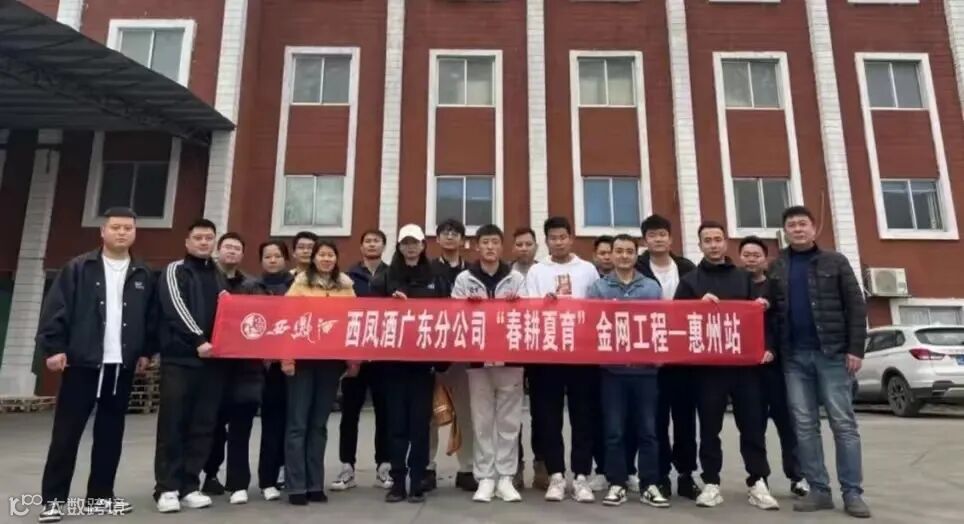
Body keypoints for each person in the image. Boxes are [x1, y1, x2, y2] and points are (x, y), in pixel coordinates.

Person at [35, 207, 155, 522]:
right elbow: (56, 308)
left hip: (121, 366)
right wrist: (54, 348)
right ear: (102, 231)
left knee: (110, 435)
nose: (121, 232)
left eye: (128, 228)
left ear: (134, 232)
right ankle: (53, 501)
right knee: (66, 434)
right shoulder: (79, 267)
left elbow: (150, 318)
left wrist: (146, 351)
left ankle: (100, 497)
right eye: (115, 227)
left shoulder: (142, 273)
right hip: (82, 364)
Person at [767, 206, 870, 518]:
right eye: (792, 225)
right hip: (794, 358)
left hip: (833, 354)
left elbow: (856, 305)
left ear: (814, 228)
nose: (798, 229)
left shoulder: (835, 261)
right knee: (804, 425)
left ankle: (852, 493)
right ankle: (819, 490)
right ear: (785, 231)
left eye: (803, 224)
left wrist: (856, 349)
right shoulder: (778, 266)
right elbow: (772, 311)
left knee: (843, 424)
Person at [674, 221, 777, 510]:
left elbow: (762, 318)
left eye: (718, 239)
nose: (713, 244)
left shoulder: (744, 278)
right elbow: (676, 321)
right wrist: (696, 306)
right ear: (700, 245)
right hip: (709, 369)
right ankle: (711, 482)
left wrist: (768, 347)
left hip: (745, 367)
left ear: (725, 242)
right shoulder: (690, 281)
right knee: (709, 428)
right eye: (707, 240)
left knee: (752, 426)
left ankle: (758, 481)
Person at [588, 234, 669, 509]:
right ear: (611, 254)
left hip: (646, 372)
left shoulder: (651, 288)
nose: (623, 256)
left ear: (636, 255)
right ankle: (617, 483)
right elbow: (590, 327)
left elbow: (661, 324)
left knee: (648, 430)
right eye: (619, 251)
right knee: (614, 431)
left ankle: (649, 484)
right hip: (612, 372)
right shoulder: (599, 288)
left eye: (629, 251)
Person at [524, 216, 600, 503]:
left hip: (581, 354)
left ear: (571, 238)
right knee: (548, 417)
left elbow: (596, 307)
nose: (558, 242)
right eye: (553, 238)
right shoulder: (537, 271)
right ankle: (556, 475)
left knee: (583, 416)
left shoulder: (587, 269)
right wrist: (543, 305)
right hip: (548, 354)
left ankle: (581, 476)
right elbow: (528, 308)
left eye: (562, 237)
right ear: (546, 241)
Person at [154, 219, 228, 513]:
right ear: (187, 242)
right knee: (173, 424)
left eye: (209, 238)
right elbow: (175, 307)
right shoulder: (175, 270)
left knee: (203, 425)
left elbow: (229, 313)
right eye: (198, 237)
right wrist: (198, 339)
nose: (204, 242)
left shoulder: (218, 275)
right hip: (180, 360)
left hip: (213, 363)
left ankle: (189, 485)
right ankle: (167, 488)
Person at [375, 224, 451, 503]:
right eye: (405, 243)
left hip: (423, 365)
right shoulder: (385, 278)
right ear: (399, 246)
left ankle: (417, 479)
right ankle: (397, 481)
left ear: (422, 245)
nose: (410, 247)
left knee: (420, 425)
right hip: (393, 364)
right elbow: (372, 315)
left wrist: (441, 361)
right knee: (396, 425)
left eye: (415, 242)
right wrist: (391, 304)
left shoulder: (436, 277)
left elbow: (446, 316)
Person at [451, 224, 526, 504]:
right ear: (477, 246)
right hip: (478, 359)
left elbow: (529, 314)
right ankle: (485, 477)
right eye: (485, 242)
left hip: (511, 358)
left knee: (509, 421)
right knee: (481, 420)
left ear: (501, 246)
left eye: (495, 242)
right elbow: (454, 314)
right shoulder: (464, 278)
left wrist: (518, 304)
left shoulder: (516, 278)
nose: (490, 247)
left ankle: (506, 476)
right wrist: (467, 306)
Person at [281, 240, 359, 505]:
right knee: (297, 424)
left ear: (336, 259)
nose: (326, 259)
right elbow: (287, 321)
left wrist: (353, 360)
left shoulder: (346, 287)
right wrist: (287, 357)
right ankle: (296, 486)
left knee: (319, 425)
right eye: (321, 255)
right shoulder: (299, 284)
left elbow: (353, 323)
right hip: (302, 361)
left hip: (330, 362)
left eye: (330, 255)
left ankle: (315, 484)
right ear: (313, 258)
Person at [739, 236, 808, 498]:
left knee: (788, 424)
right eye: (746, 255)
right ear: (740, 258)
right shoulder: (735, 287)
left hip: (777, 367)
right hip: (747, 370)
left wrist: (773, 348)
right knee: (752, 427)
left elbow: (784, 322)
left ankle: (797, 476)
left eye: (756, 255)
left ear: (765, 259)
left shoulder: (777, 287)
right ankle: (758, 477)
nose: (751, 260)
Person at [635, 214, 699, 500]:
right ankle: (659, 475)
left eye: (662, 234)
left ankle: (686, 474)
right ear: (645, 241)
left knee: (685, 419)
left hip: (682, 355)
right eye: (652, 235)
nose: (658, 239)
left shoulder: (687, 268)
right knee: (655, 420)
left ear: (670, 238)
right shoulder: (637, 269)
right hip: (650, 356)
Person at [202, 233, 262, 505]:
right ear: (219, 250)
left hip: (245, 368)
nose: (232, 251)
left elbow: (260, 319)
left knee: (241, 427)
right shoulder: (205, 280)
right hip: (213, 365)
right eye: (227, 247)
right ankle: (209, 474)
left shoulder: (252, 285)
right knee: (211, 425)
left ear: (242, 254)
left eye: (237, 248)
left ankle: (238, 483)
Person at [334, 229, 392, 491]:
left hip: (382, 355)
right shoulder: (347, 277)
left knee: (385, 413)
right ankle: (347, 467)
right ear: (361, 246)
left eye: (376, 241)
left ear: (383, 246)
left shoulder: (392, 274)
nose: (371, 244)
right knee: (349, 413)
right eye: (367, 241)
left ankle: (384, 467)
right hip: (354, 355)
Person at [428, 218, 475, 492]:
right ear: (437, 239)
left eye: (455, 233)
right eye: (445, 233)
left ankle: (467, 467)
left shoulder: (472, 271)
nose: (449, 237)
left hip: (463, 350)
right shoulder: (427, 269)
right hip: (432, 348)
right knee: (429, 412)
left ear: (462, 239)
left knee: (466, 411)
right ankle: (427, 466)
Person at [247, 240, 295, 502]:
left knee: (294, 423)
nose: (273, 260)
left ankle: (290, 472)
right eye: (268, 256)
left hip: (294, 364)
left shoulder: (296, 286)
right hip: (265, 367)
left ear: (286, 259)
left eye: (277, 256)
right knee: (271, 424)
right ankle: (267, 478)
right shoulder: (251, 287)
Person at [510, 226, 541, 490]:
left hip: (541, 349)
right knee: (511, 413)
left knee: (541, 412)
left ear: (536, 246)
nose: (524, 248)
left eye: (528, 244)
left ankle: (541, 465)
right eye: (519, 244)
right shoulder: (505, 274)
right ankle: (515, 467)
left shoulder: (545, 272)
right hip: (512, 350)